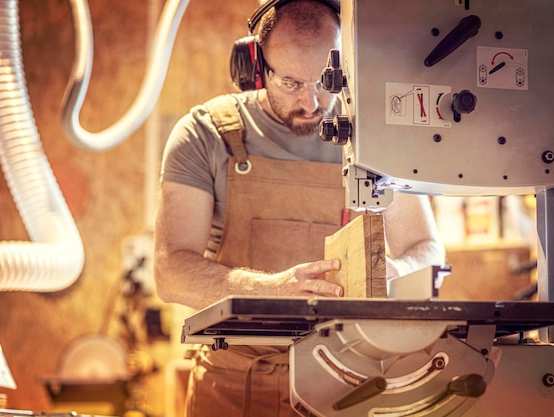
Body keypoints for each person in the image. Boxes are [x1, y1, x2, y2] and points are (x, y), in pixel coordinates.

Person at [153, 0, 446, 416]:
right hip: (237, 384)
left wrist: (396, 274)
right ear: (255, 66)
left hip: (349, 386)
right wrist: (272, 290)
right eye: (290, 83)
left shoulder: (375, 137)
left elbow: (427, 249)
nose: (311, 103)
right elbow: (170, 272)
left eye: (326, 81)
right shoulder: (206, 135)